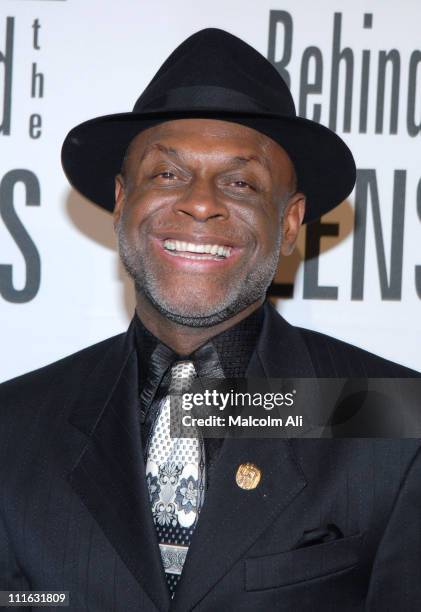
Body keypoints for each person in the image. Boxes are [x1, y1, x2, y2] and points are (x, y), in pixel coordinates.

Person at [0, 28, 420, 611]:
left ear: (292, 222)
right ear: (122, 201)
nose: (200, 202)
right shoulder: (14, 424)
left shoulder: (393, 415)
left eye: (241, 182)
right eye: (167, 174)